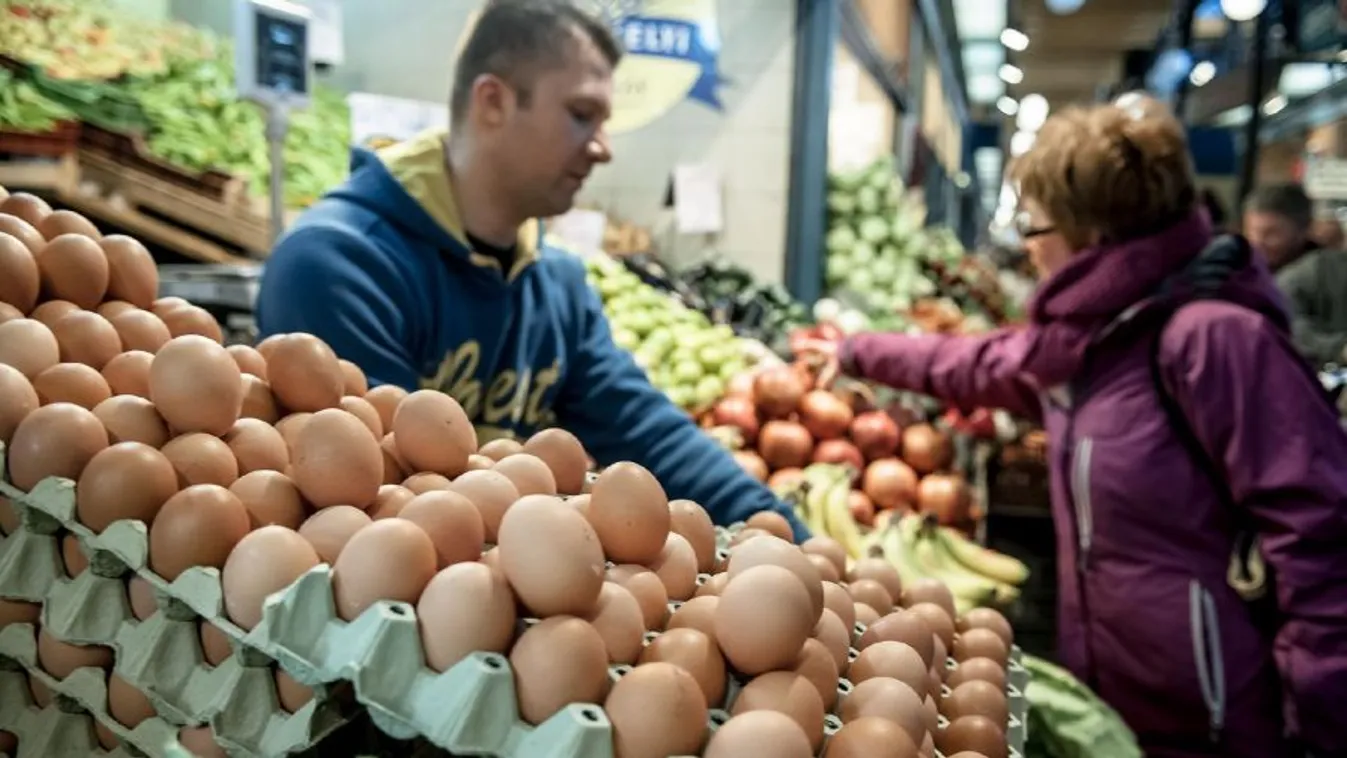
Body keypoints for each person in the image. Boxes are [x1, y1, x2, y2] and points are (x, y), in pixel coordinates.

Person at [802, 96, 1347, 757]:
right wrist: (855, 352)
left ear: (1090, 234)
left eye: (1034, 227)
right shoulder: (1087, 340)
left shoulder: (1215, 341)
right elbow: (979, 361)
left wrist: (1322, 725)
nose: (1027, 250)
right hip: (1118, 690)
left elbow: (1320, 539)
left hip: (1219, 716)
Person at [254, 0, 806, 539]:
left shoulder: (556, 282)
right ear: (493, 102)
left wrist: (796, 542)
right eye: (582, 115)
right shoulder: (339, 265)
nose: (604, 149)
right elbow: (381, 496)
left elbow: (648, 433)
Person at [1245, 185, 1347, 366]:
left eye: (1271, 233)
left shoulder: (1316, 273)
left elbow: (1293, 329)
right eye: (1252, 231)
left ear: (1303, 230)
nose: (1257, 242)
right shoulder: (1244, 276)